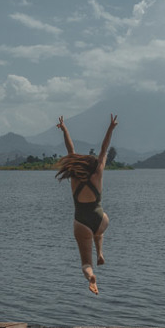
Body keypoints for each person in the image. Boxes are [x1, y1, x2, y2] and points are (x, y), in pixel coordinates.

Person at [55, 114, 118, 294]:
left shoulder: (74, 175)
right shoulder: (98, 174)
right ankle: (100, 252)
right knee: (98, 232)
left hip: (81, 223)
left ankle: (91, 276)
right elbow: (104, 149)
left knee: (85, 263)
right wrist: (111, 128)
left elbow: (70, 149)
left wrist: (64, 129)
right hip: (100, 219)